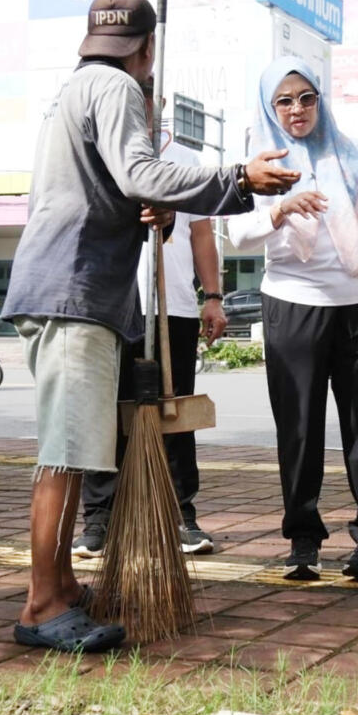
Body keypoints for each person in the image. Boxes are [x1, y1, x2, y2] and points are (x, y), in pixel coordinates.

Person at [1, 0, 301, 653]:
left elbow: (116, 184)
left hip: (65, 287)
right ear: (147, 48)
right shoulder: (115, 90)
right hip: (74, 293)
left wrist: (151, 208)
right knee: (64, 454)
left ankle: (59, 587)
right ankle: (43, 604)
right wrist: (240, 180)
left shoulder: (76, 88)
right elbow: (140, 170)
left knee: (73, 453)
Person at [228, 56, 358, 583]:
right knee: (298, 427)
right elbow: (236, 236)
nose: (297, 109)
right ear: (268, 106)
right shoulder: (257, 164)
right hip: (292, 300)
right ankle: (303, 540)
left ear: (320, 100)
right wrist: (280, 206)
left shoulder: (354, 153)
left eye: (307, 97)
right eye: (284, 99)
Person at [74, 116, 228, 560]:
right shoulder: (101, 153)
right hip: (112, 303)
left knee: (173, 411)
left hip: (173, 306)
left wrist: (213, 295)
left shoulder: (186, 162)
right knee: (104, 412)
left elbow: (202, 234)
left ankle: (181, 513)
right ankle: (100, 517)